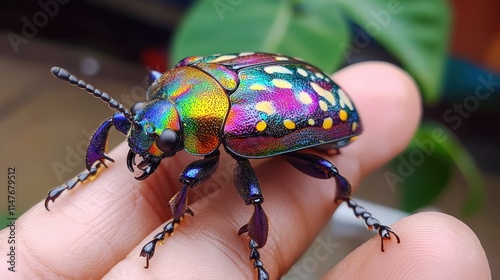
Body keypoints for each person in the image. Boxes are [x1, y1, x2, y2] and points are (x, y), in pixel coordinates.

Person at [0, 62, 490, 279]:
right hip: (267, 83)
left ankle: (336, 210)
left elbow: (226, 178)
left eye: (165, 144)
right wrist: (101, 163)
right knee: (120, 118)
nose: (149, 152)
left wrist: (172, 220)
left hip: (322, 109)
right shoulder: (179, 85)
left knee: (258, 194)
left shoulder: (238, 128)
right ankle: (93, 175)